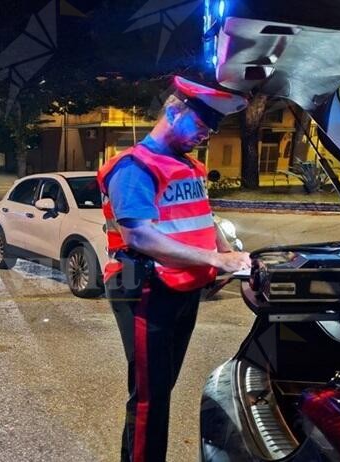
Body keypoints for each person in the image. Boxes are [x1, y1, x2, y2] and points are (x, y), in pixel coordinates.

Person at [97, 76, 253, 462]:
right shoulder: (135, 167)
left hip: (183, 289)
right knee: (150, 399)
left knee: (161, 389)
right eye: (200, 126)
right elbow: (139, 238)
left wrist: (232, 259)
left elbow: (204, 218)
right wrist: (217, 260)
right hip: (148, 291)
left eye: (210, 130)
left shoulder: (190, 168)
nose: (204, 136)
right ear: (173, 110)